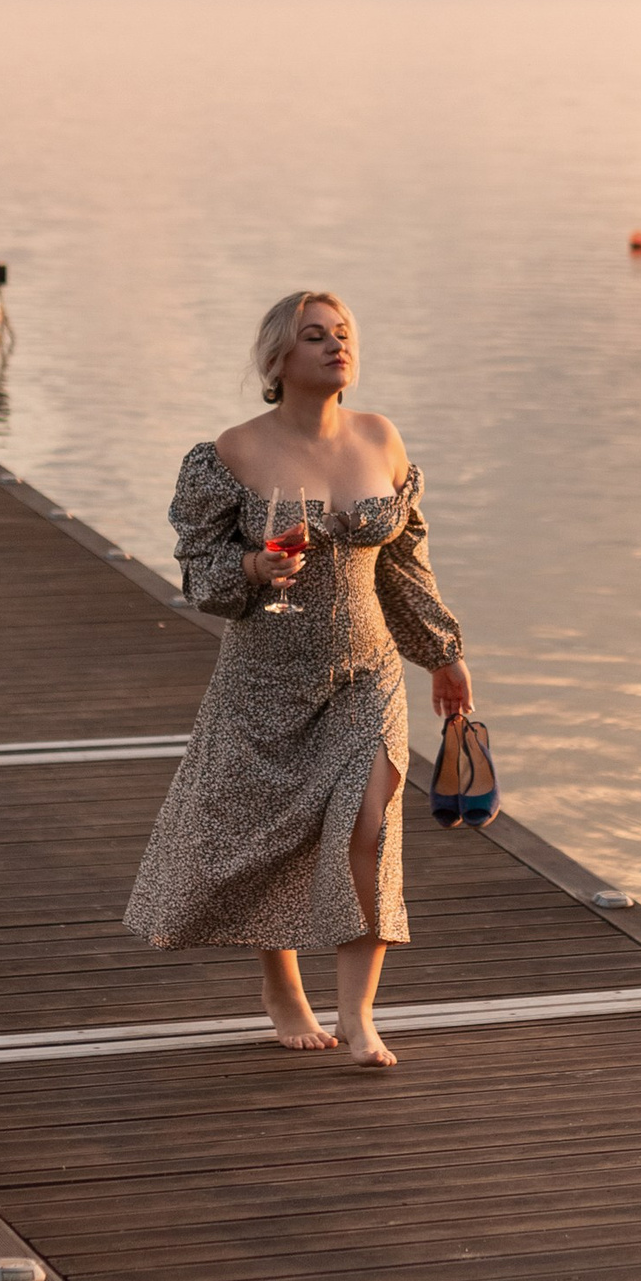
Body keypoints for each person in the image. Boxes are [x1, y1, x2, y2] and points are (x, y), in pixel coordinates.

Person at [124, 290, 475, 1066]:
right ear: (278, 360)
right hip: (265, 677)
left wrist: (443, 654)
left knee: (369, 829)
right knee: (269, 837)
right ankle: (282, 985)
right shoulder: (232, 453)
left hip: (369, 672)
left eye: (343, 334)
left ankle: (358, 1015)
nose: (334, 346)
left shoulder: (381, 439)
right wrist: (255, 562)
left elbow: (406, 567)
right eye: (315, 336)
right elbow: (200, 577)